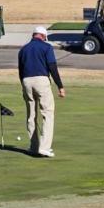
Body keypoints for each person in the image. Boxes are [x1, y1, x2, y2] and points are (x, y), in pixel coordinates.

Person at [18, 26, 65, 158]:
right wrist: (60, 86)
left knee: (31, 115)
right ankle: (44, 148)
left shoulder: (23, 49)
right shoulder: (47, 47)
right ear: (43, 36)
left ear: (33, 35)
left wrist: (23, 86)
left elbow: (20, 70)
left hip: (26, 81)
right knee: (47, 113)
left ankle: (34, 147)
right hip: (41, 81)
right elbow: (52, 67)